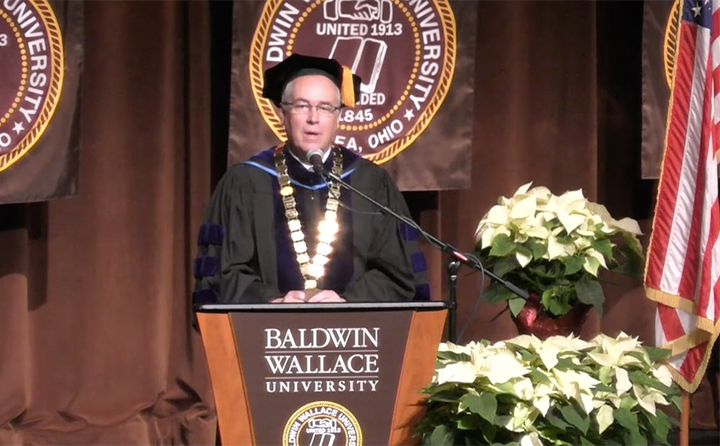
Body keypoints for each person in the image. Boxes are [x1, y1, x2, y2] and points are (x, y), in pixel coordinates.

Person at [192, 53, 429, 304]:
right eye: (302, 105)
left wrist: (349, 301)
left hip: (356, 333)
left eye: (325, 107)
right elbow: (221, 273)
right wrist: (271, 301)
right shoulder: (245, 182)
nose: (313, 118)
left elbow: (399, 275)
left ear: (338, 117)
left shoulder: (369, 183)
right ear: (283, 113)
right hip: (267, 333)